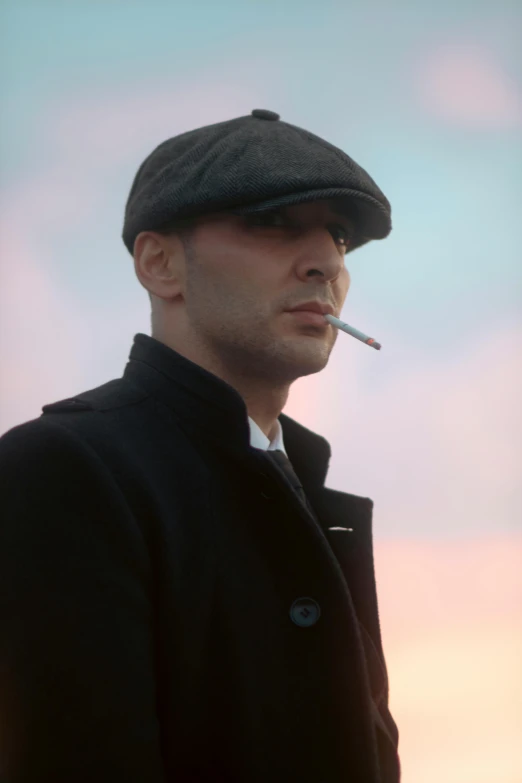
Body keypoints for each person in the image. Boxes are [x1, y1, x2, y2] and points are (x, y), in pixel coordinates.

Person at [0, 109, 401, 782]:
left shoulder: (303, 485)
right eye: (273, 223)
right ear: (160, 264)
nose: (326, 261)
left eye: (336, 234)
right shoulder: (64, 468)